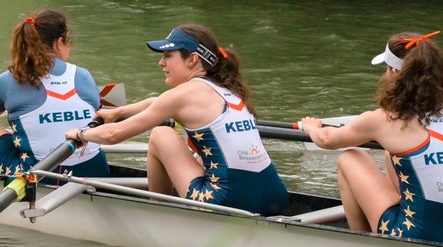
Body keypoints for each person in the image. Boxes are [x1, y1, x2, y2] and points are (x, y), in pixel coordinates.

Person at [63, 24, 289, 216]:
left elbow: (113, 135)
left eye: (168, 56)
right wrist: (117, 112)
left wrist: (81, 134)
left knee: (161, 134)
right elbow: (157, 102)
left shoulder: (182, 95)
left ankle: (158, 214)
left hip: (225, 200)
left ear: (192, 59)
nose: (161, 63)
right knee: (200, 155)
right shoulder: (227, 89)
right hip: (276, 197)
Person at [300, 31, 443, 246]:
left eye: (387, 70)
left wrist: (311, 127)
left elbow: (327, 140)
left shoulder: (384, 121)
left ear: (395, 72)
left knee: (349, 158)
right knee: (392, 152)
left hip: (416, 235)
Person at [0, 9, 108, 179]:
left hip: (37, 177)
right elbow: (102, 114)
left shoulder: (9, 80)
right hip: (96, 172)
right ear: (60, 42)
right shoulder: (84, 76)